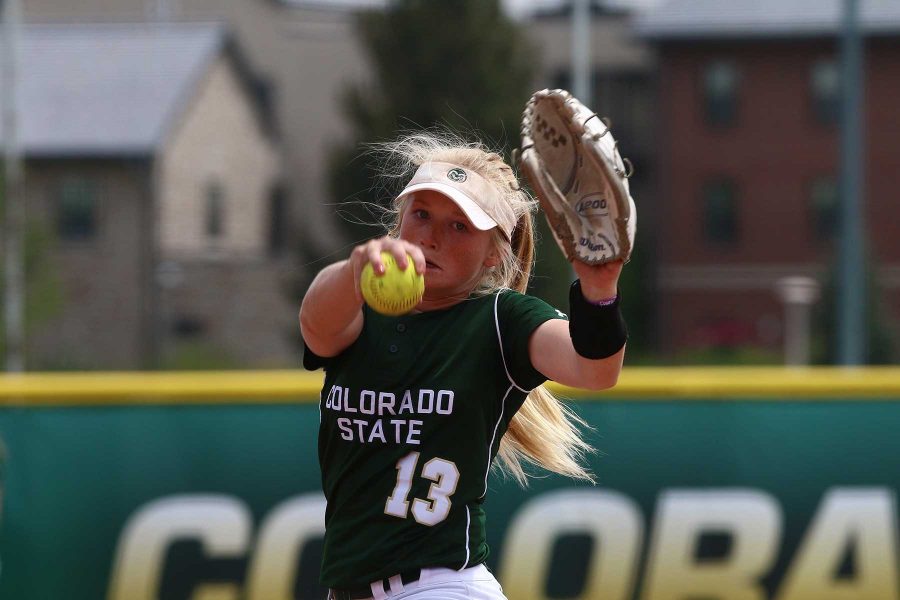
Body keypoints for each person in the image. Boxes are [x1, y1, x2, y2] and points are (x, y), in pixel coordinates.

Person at [299, 132, 627, 600]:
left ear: (495, 251)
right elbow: (316, 326)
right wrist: (355, 270)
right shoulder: (357, 308)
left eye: (460, 227)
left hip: (440, 587)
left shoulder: (501, 319)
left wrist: (599, 294)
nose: (432, 236)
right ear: (400, 220)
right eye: (422, 214)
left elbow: (595, 370)